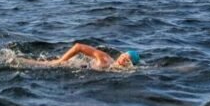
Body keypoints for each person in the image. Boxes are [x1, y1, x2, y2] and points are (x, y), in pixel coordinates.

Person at [11, 43, 140, 70]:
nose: (123, 59)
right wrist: (61, 61)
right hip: (68, 64)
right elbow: (78, 46)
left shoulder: (119, 70)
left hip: (80, 67)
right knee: (38, 64)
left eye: (127, 59)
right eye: (124, 56)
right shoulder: (104, 58)